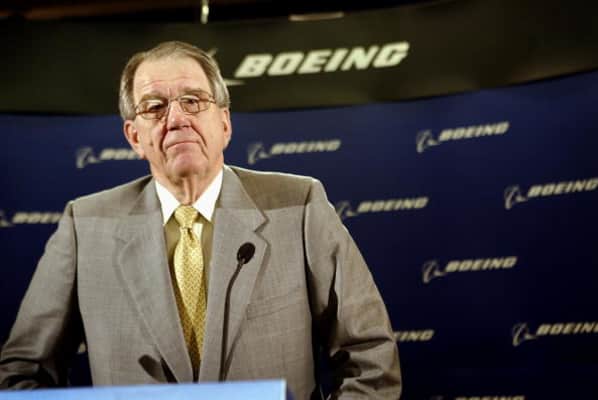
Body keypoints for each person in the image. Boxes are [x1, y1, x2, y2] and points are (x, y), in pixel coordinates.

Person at [0, 41, 401, 399]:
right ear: (134, 137)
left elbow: (370, 357)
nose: (176, 118)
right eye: (154, 107)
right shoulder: (85, 227)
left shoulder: (299, 206)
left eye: (193, 100)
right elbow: (20, 375)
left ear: (224, 123)